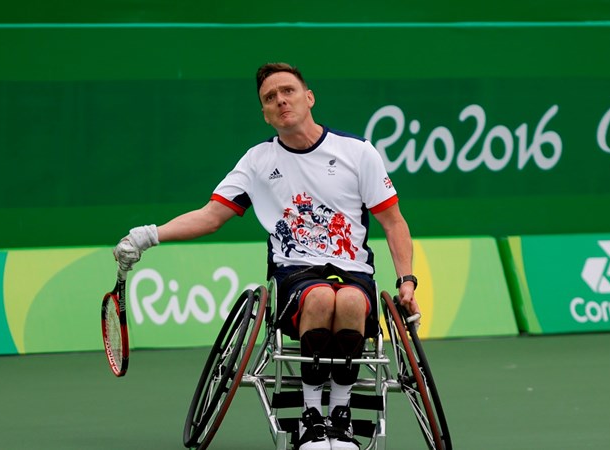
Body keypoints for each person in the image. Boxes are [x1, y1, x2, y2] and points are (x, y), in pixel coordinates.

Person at [114, 62, 420, 450]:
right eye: (270, 98)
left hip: (353, 271)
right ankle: (312, 419)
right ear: (265, 113)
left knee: (351, 302)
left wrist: (406, 281)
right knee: (323, 297)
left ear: (308, 97)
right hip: (296, 273)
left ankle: (340, 419)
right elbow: (210, 217)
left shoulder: (358, 153)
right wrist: (147, 236)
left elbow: (394, 223)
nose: (280, 100)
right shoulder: (257, 162)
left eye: (287, 91)